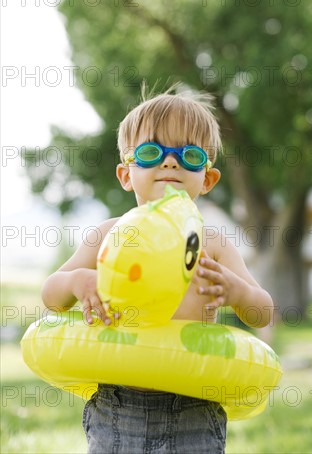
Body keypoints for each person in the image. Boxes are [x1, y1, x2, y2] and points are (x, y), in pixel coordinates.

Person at [41, 87, 274, 454]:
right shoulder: (107, 235)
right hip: (119, 405)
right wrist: (77, 281)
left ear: (208, 180)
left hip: (194, 406)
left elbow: (263, 313)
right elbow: (50, 297)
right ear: (125, 174)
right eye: (151, 153)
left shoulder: (211, 244)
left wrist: (238, 293)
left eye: (189, 155)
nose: (170, 163)